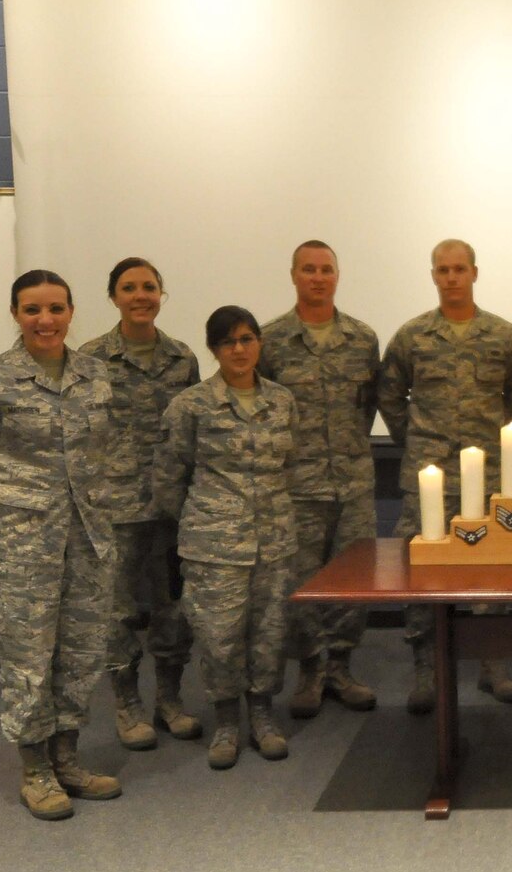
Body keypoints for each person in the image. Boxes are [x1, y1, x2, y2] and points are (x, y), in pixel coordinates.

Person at [0, 269, 122, 821]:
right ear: (16, 314)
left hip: (87, 541)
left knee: (81, 654)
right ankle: (35, 769)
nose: (46, 320)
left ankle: (67, 758)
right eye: (33, 309)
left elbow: (108, 452)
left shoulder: (97, 376)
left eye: (56, 308)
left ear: (71, 312)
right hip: (21, 546)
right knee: (29, 660)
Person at [378, 239, 512, 710]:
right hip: (428, 475)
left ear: (474, 273)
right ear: (433, 276)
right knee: (422, 568)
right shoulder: (413, 336)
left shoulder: (502, 335)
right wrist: (418, 440)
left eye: (459, 269)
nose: (451, 277)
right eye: (443, 270)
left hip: (488, 475)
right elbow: (390, 396)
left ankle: (492, 663)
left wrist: (488, 439)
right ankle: (427, 667)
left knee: (492, 567)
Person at [157, 307, 297, 770]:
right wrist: (207, 520)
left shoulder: (282, 401)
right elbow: (170, 476)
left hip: (274, 541)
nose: (239, 349)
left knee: (269, 633)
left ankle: (263, 715)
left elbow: (289, 465)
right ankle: (226, 721)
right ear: (214, 349)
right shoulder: (191, 406)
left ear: (260, 343)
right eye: (227, 342)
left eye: (247, 339)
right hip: (214, 546)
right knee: (219, 637)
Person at [78, 257, 201, 751]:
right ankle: (127, 704)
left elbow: (193, 429)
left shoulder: (182, 358)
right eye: (129, 288)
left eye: (149, 286)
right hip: (117, 511)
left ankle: (169, 700)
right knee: (119, 612)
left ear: (161, 294)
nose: (140, 295)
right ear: (113, 297)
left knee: (174, 609)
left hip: (171, 509)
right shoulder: (91, 359)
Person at [259, 240, 381, 719]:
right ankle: (311, 668)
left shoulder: (362, 338)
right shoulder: (271, 340)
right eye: (308, 269)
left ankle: (341, 667)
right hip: (297, 484)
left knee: (355, 577)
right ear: (294, 275)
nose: (317, 277)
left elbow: (369, 406)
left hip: (353, 481)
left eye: (326, 269)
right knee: (300, 580)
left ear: (337, 275)